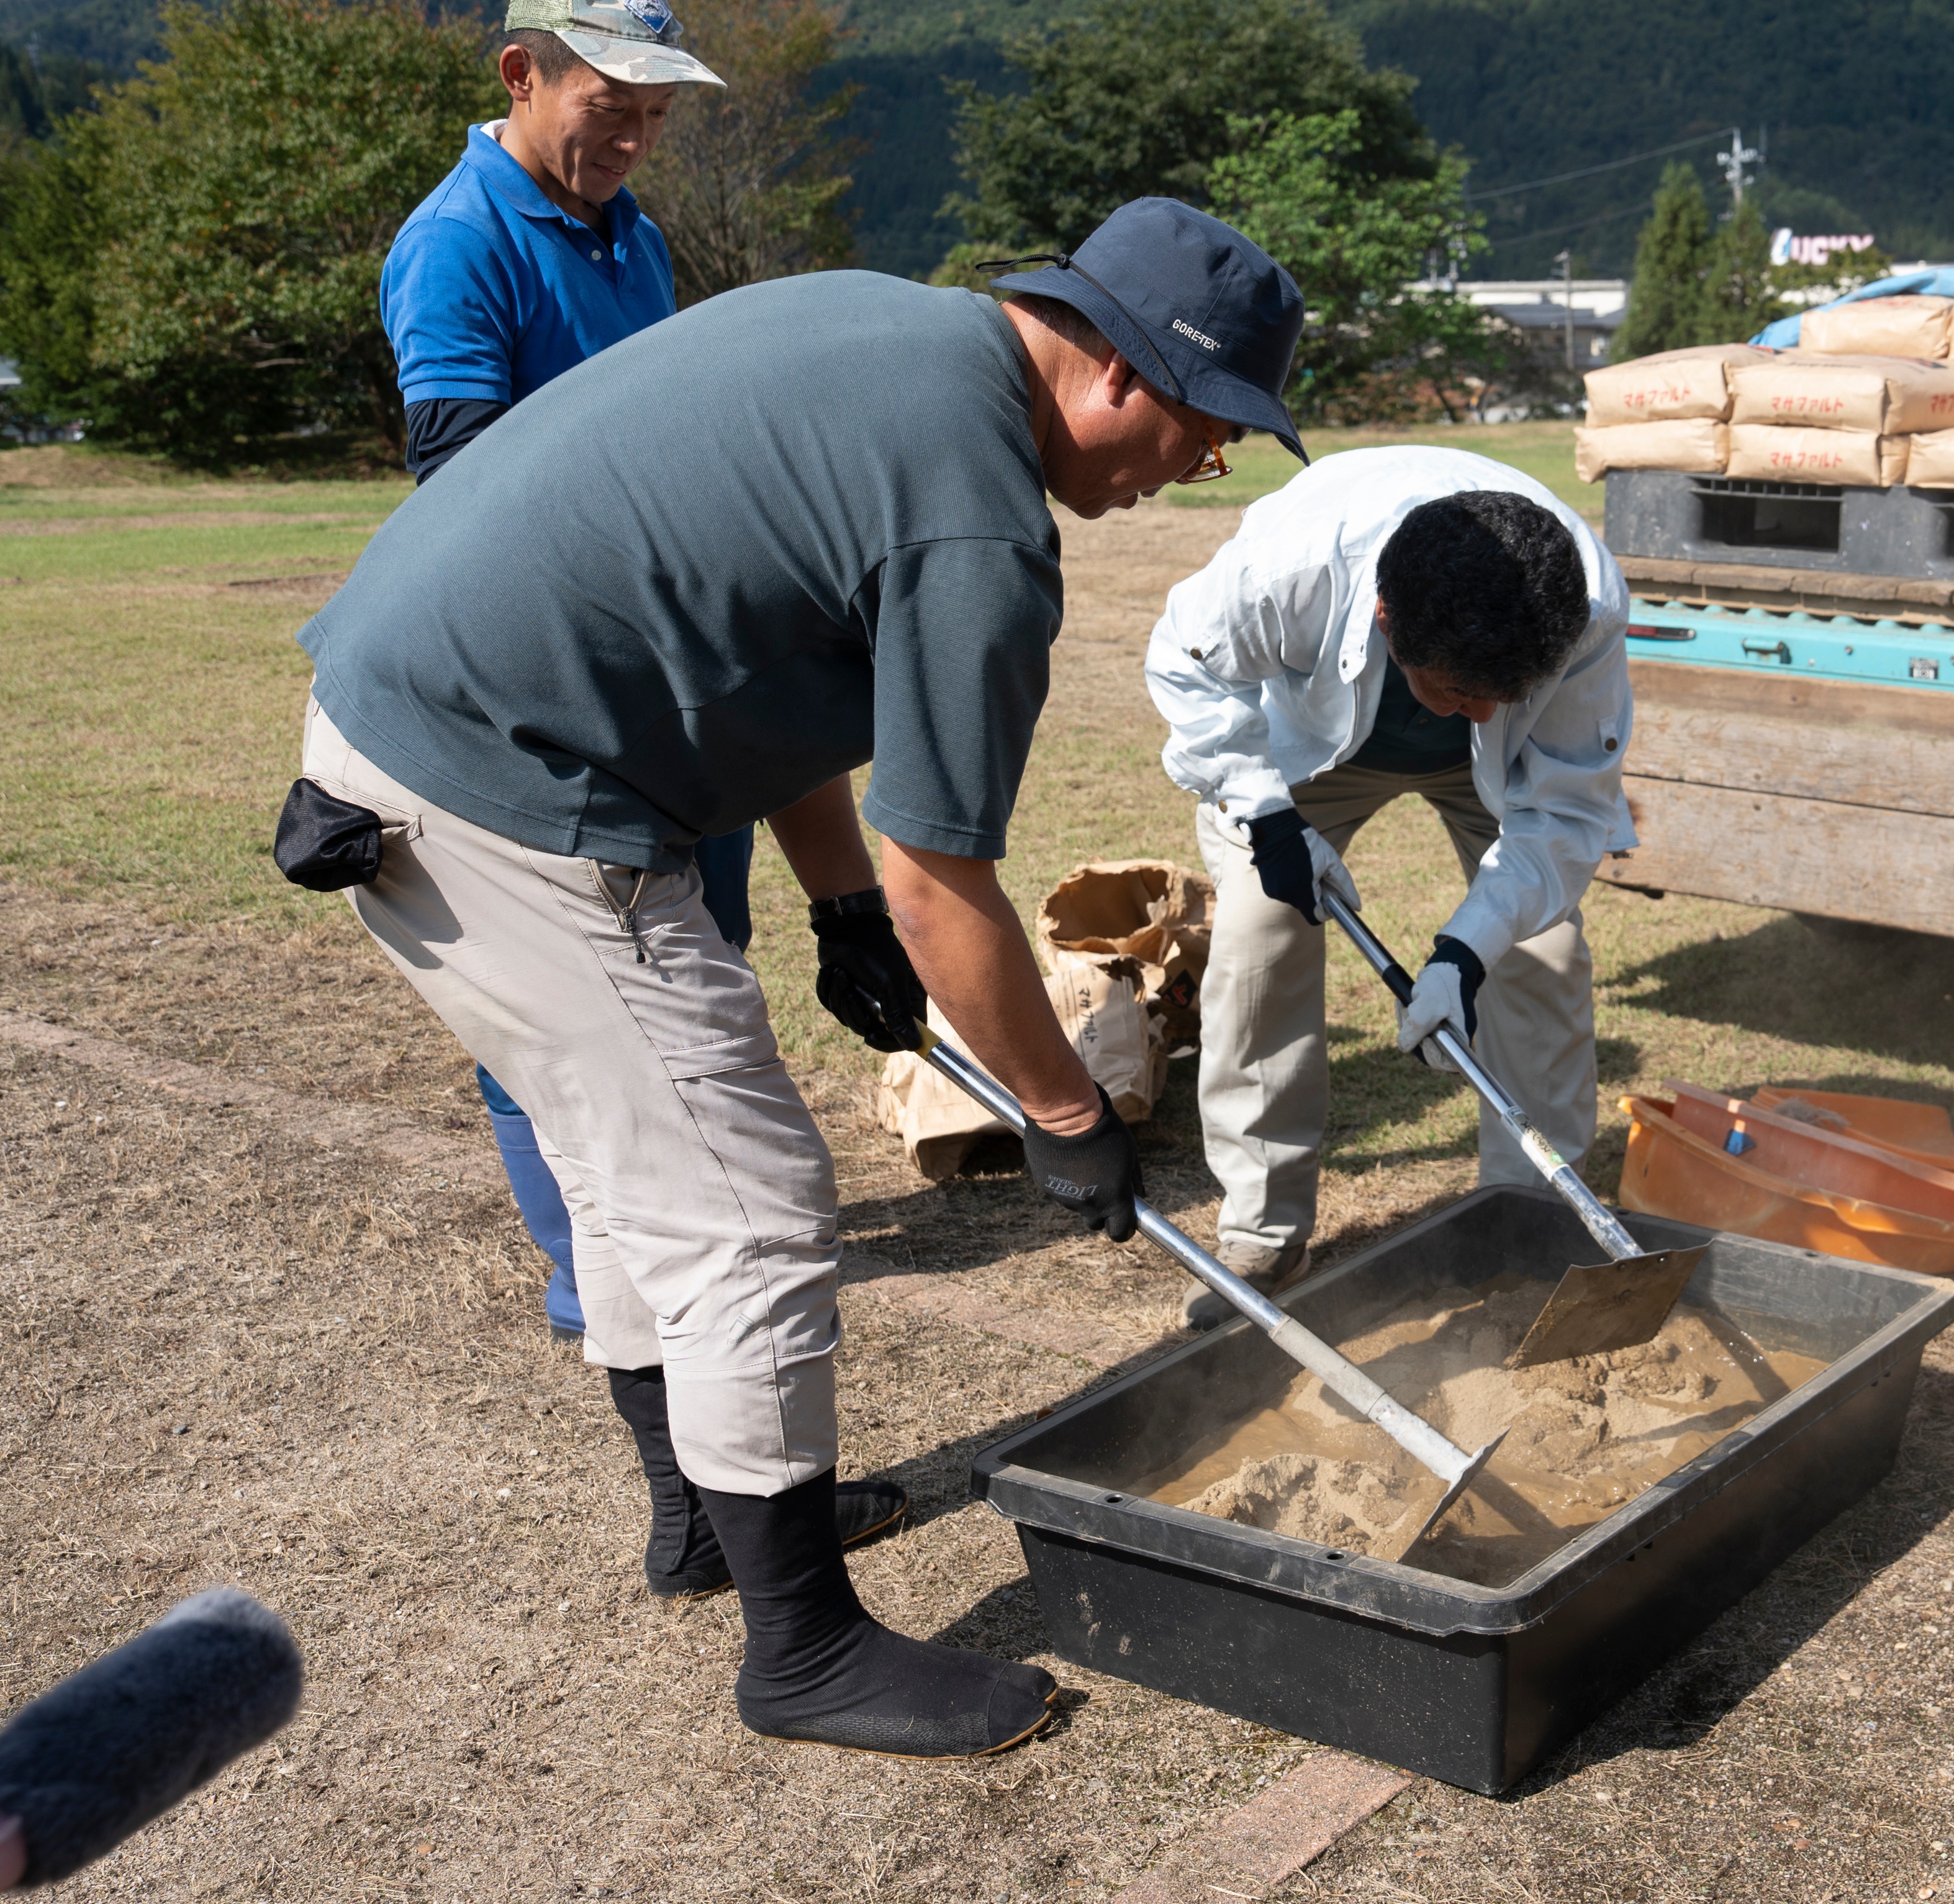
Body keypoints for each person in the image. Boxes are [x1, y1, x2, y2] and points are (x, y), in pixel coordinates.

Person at [283, 198, 1306, 1756]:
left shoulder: (895, 330)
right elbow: (944, 879)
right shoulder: (977, 520)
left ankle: (704, 1520)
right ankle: (805, 1652)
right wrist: (1064, 1109)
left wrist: (833, 911)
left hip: (406, 731)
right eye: (1208, 427)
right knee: (744, 1197)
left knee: (630, 1171)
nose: (1204, 466)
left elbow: (767, 666)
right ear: (1119, 374)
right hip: (499, 788)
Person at [378, 0, 744, 1349]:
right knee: (559, 994)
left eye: (658, 112)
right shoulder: (461, 241)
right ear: (521, 74)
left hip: (666, 678)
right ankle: (592, 1267)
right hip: (552, 687)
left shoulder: (630, 231)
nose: (638, 135)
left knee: (693, 955)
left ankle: (682, 1212)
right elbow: (463, 491)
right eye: (614, 102)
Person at [1145, 449, 1634, 1327]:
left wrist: (1462, 953)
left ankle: (1527, 1224)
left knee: (1544, 950)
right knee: (1262, 931)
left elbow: (1563, 816)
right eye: (1457, 691)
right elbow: (1186, 664)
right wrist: (1265, 812)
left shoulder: (1584, 608)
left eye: (1504, 692)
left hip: (1499, 781)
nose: (1481, 711)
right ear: (1383, 614)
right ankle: (1264, 1229)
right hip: (1311, 746)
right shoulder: (1293, 564)